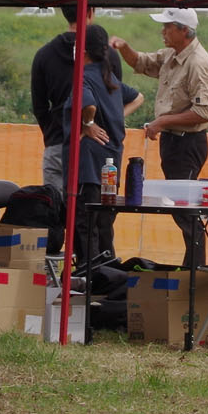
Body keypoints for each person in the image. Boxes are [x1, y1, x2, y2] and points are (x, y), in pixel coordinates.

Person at [111, 7, 208, 267]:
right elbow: (142, 62)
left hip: (187, 143)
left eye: (168, 26)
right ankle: (191, 268)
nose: (163, 31)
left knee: (186, 212)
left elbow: (204, 111)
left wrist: (162, 121)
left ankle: (194, 272)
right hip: (174, 143)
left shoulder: (198, 63)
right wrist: (124, 47)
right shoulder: (173, 54)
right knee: (182, 210)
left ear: (184, 30)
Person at [66, 25, 143, 264]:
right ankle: (109, 272)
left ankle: (91, 276)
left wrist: (87, 122)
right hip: (112, 163)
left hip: (90, 164)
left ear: (83, 50)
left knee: (85, 223)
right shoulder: (110, 78)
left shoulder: (84, 76)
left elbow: (88, 105)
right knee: (105, 222)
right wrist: (116, 115)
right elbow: (138, 97)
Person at [30, 2, 120, 194]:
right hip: (99, 147)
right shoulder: (107, 55)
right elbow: (115, 98)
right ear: (90, 11)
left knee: (55, 210)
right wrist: (89, 124)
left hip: (57, 142)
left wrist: (54, 132)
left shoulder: (44, 54)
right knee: (91, 214)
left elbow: (39, 106)